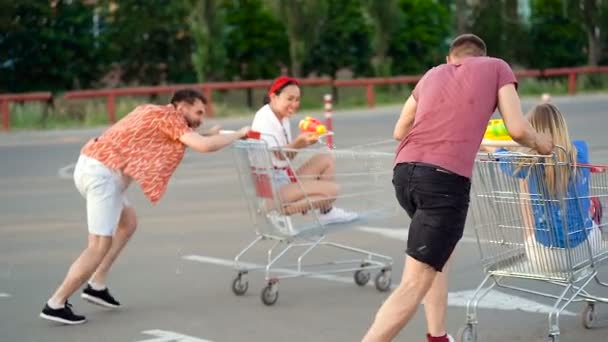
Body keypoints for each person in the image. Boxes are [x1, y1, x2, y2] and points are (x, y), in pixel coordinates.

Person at [362, 34, 553, 342]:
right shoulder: (497, 67)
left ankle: (437, 335)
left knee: (437, 257)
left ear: (452, 59)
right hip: (443, 182)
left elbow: (400, 130)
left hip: (405, 174)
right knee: (415, 281)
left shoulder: (433, 74)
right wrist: (541, 143)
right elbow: (517, 128)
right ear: (482, 56)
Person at [40, 89, 250, 325]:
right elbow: (204, 146)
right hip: (103, 176)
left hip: (93, 166)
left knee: (128, 223)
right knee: (98, 245)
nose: (201, 118)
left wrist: (206, 133)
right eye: (198, 112)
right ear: (181, 107)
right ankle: (56, 303)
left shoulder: (154, 112)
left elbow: (180, 138)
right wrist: (239, 133)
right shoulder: (170, 118)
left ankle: (96, 284)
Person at [488, 103, 603, 272]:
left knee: (525, 180)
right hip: (587, 250)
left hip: (546, 258)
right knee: (578, 193)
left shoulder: (527, 163)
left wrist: (498, 147)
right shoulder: (581, 150)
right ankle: (592, 212)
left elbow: (501, 153)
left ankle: (539, 237)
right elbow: (560, 152)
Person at [250, 76, 358, 226]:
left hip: (281, 178)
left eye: (297, 99)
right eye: (290, 99)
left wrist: (302, 143)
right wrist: (298, 143)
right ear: (274, 97)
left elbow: (286, 158)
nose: (294, 104)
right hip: (272, 188)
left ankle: (326, 213)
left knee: (326, 157)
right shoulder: (264, 119)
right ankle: (275, 210)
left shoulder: (281, 116)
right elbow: (278, 154)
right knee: (331, 191)